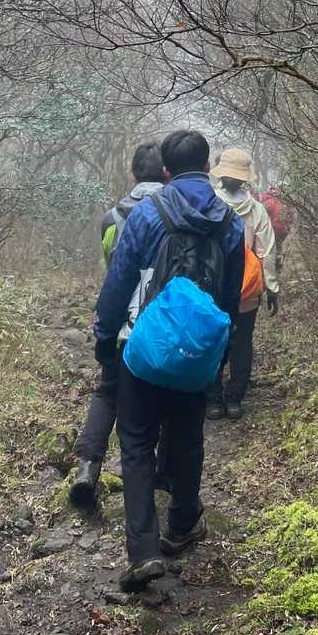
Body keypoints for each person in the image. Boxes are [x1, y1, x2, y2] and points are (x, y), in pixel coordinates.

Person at [94, 129, 244, 591]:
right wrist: (219, 352)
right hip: (198, 350)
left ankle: (143, 552)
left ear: (165, 170)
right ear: (208, 166)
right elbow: (230, 297)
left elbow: (119, 281)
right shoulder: (229, 222)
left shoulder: (147, 214)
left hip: (144, 345)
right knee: (188, 436)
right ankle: (181, 525)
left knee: (137, 442)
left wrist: (105, 337)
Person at [69, 142, 166, 507]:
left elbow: (113, 268)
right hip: (162, 319)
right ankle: (156, 475)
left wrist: (105, 329)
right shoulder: (174, 213)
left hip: (122, 315)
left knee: (108, 390)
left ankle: (87, 466)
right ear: (167, 173)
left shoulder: (112, 217)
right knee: (161, 395)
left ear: (132, 173)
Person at [207, 148, 279, 421]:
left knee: (212, 340)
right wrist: (272, 288)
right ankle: (235, 397)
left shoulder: (208, 204)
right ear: (245, 178)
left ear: (220, 174)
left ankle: (213, 398)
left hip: (211, 287)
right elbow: (267, 252)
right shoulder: (256, 210)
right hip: (246, 288)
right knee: (242, 342)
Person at [258, 183, 294, 275]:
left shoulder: (284, 201)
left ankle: (274, 269)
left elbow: (290, 217)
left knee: (275, 249)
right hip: (273, 230)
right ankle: (272, 270)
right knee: (272, 250)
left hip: (278, 231)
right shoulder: (272, 200)